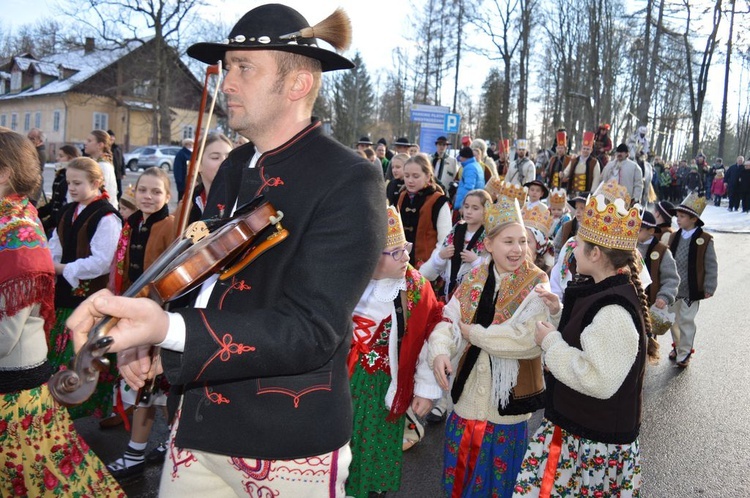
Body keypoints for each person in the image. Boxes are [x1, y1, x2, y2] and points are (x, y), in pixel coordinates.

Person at [66, 5, 385, 496]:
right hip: (194, 425)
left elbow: (312, 329)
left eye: (244, 68)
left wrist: (170, 329)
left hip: (285, 439)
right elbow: (207, 280)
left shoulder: (349, 178)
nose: (226, 83)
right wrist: (160, 339)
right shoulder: (234, 164)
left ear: (298, 84)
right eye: (226, 67)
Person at [0, 127, 125, 497]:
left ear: (5, 172)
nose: (70, 187)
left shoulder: (17, 232)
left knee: (40, 478)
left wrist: (63, 269)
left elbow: (5, 334)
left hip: (12, 381)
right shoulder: (16, 218)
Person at [513, 192, 648, 497]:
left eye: (577, 245)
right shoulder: (603, 291)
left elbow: (598, 379)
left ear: (596, 254)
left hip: (592, 443)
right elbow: (589, 336)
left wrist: (550, 343)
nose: (572, 250)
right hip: (578, 429)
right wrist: (559, 313)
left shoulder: (614, 311)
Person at [429, 194, 552, 498]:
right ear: (489, 245)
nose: (518, 249)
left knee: (498, 485)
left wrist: (475, 334)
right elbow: (448, 319)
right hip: (467, 400)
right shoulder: (473, 277)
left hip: (506, 411)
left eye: (522, 241)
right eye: (509, 241)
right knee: (460, 477)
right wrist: (440, 351)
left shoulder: (536, 282)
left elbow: (527, 341)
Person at [346, 206, 442, 498]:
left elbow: (427, 339)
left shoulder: (413, 288)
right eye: (396, 252)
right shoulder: (345, 280)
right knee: (340, 453)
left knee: (375, 454)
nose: (406, 258)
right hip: (344, 384)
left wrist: (426, 389)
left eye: (406, 249)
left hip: (384, 389)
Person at [107, 167, 176, 477]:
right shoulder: (131, 223)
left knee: (156, 386)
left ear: (168, 196)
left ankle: (169, 442)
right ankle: (140, 450)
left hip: (154, 313)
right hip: (131, 306)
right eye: (143, 190)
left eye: (156, 192)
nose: (149, 196)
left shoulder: (170, 225)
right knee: (140, 384)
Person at [47, 156, 122, 420]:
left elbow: (101, 262)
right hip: (65, 295)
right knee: (60, 353)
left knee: (84, 354)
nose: (72, 188)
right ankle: (61, 407)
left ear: (96, 182)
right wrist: (50, 262)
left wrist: (63, 269)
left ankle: (88, 407)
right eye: (69, 183)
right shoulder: (68, 211)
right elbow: (55, 243)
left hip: (92, 298)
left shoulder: (107, 217)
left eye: (78, 183)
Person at [667, 192, 717, 367]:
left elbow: (711, 265)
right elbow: (666, 262)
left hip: (691, 289)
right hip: (674, 289)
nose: (678, 220)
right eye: (677, 216)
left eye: (682, 217)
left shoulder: (704, 240)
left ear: (694, 219)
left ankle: (685, 352)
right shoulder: (674, 237)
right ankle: (678, 345)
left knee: (686, 320)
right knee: (673, 320)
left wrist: (709, 286)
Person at [420, 189, 491, 302]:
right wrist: (441, 256)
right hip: (449, 293)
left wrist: (477, 261)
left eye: (475, 208)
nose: (469, 211)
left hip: (472, 296)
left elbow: (493, 266)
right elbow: (437, 267)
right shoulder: (456, 230)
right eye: (466, 207)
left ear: (486, 211)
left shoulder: (488, 236)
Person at [637, 211, 680, 360]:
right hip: (630, 300)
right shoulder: (627, 246)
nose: (634, 232)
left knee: (645, 338)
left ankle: (642, 363)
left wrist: (665, 296)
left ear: (651, 231)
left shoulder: (662, 251)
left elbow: (671, 278)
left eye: (639, 229)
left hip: (651, 303)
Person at [397, 154, 452, 268]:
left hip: (427, 269)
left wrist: (428, 270)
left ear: (427, 176)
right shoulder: (401, 197)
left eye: (416, 176)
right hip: (400, 267)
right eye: (407, 176)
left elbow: (444, 242)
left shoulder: (438, 201)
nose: (410, 180)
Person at [38, 144, 81, 237]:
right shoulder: (60, 175)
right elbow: (54, 203)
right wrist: (36, 213)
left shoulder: (70, 178)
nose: (57, 158)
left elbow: (64, 204)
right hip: (54, 221)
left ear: (70, 159)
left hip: (61, 223)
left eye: (61, 156)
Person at [84, 129, 119, 208]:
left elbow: (100, 193)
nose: (85, 143)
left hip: (102, 211)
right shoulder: (95, 163)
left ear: (100, 145)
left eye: (89, 141)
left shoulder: (102, 166)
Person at [562, 131, 600, 196]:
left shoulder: (594, 162)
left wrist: (592, 193)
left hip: (586, 193)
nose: (585, 150)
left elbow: (596, 178)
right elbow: (567, 171)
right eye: (584, 148)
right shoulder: (574, 160)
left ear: (591, 150)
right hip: (572, 192)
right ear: (581, 149)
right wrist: (563, 174)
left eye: (588, 149)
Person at [522, 203, 554, 274]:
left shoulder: (546, 274)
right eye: (521, 241)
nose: (522, 246)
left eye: (528, 241)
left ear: (538, 247)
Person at [454, 146, 485, 211]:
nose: (460, 159)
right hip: (476, 202)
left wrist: (463, 206)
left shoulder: (469, 168)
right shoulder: (476, 165)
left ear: (464, 157)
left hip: (469, 205)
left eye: (461, 157)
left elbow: (469, 188)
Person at [26, 127, 47, 204]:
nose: (28, 140)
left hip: (32, 189)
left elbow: (35, 171)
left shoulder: (40, 153)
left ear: (40, 141)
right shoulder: (32, 150)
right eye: (28, 137)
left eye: (32, 139)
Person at [108, 130, 125, 201]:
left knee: (119, 191)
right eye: (110, 138)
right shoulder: (106, 149)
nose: (112, 139)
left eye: (113, 137)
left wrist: (123, 172)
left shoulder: (117, 148)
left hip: (118, 173)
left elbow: (122, 160)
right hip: (110, 173)